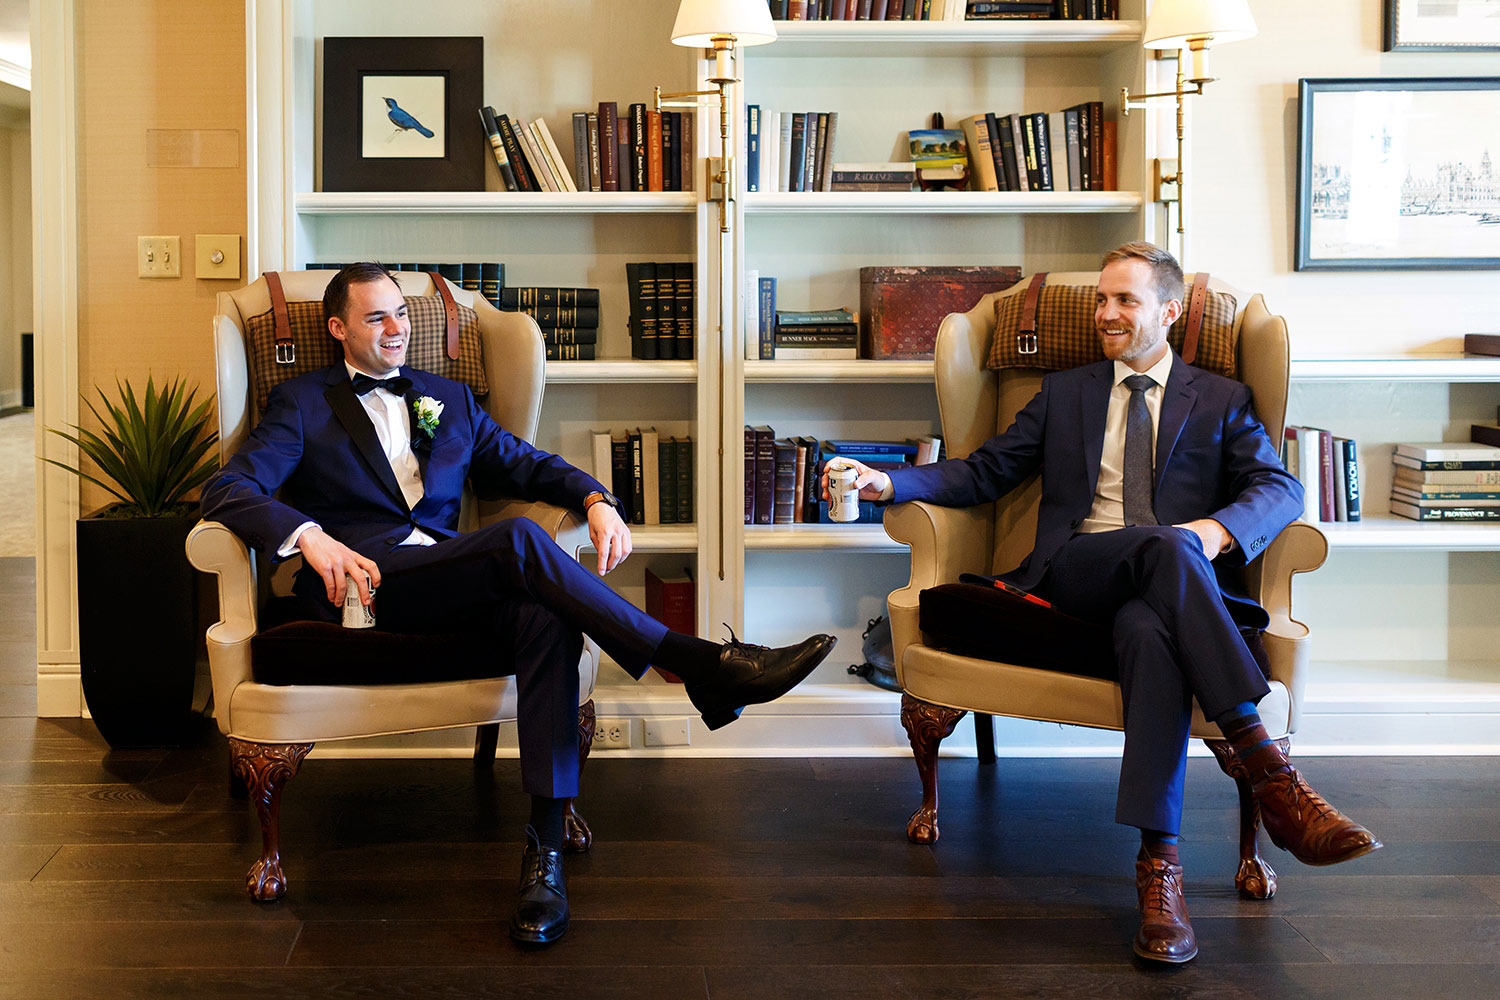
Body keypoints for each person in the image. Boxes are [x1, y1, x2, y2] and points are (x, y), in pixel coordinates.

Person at [202, 261, 835, 946]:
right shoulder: (301, 403)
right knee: (518, 540)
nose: (396, 328)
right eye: (375, 317)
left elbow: (528, 463)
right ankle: (699, 663)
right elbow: (228, 490)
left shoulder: (448, 398)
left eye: (401, 313)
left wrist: (597, 498)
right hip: (367, 589)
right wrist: (310, 536)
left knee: (547, 614)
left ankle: (544, 857)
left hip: (450, 580)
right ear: (337, 328)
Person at [823, 242, 1380, 964]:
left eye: (1125, 300)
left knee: (1151, 628)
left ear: (1170, 312)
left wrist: (1213, 533)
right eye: (1100, 300)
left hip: (1169, 594)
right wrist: (890, 483)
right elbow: (986, 471)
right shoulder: (1068, 393)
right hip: (1076, 574)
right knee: (1165, 550)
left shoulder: (1222, 399)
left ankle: (1161, 872)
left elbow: (1281, 489)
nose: (1105, 314)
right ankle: (1272, 774)